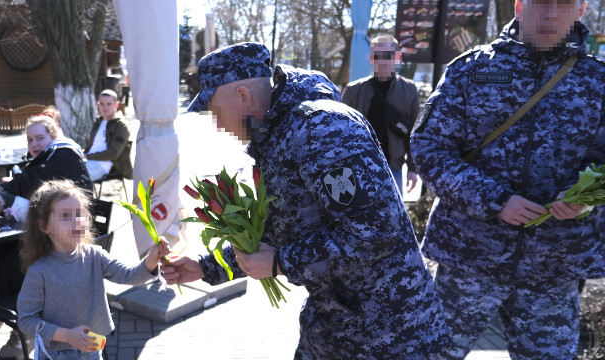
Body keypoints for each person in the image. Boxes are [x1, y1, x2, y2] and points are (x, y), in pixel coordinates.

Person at [163, 42, 449, 359]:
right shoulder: (277, 137)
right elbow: (276, 230)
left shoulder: (323, 129)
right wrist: (204, 268)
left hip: (391, 336)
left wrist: (279, 263)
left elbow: (375, 231)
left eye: (215, 110)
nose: (218, 124)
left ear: (242, 95)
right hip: (334, 328)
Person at [410, 0, 605, 358]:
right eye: (539, 3)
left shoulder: (598, 82)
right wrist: (494, 200)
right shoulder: (472, 70)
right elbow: (430, 148)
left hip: (555, 267)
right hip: (470, 257)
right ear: (518, 6)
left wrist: (585, 199)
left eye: (562, 5)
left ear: (580, 9)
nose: (549, 14)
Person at [0, 115, 92, 359]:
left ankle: (23, 333)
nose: (34, 144)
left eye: (40, 138)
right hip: (50, 238)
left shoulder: (64, 157)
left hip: (69, 248)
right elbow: (23, 184)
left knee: (10, 263)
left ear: (54, 137)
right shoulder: (45, 159)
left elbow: (44, 203)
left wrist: (5, 200)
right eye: (30, 139)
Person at [16, 180, 169, 360]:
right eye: (66, 216)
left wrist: (151, 258)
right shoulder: (39, 272)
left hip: (92, 349)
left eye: (79, 214)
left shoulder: (94, 255)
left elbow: (129, 276)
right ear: (44, 226)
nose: (76, 221)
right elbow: (27, 320)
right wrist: (67, 335)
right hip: (55, 354)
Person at [342, 35, 420, 196]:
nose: (383, 61)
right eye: (377, 56)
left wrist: (413, 169)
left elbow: (415, 134)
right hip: (358, 168)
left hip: (394, 169)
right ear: (371, 58)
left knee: (394, 219)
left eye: (388, 56)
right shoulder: (353, 91)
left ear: (397, 58)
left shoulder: (410, 90)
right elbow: (342, 133)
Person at [84, 89, 133, 181]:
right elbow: (92, 146)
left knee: (71, 175)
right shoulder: (98, 122)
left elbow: (114, 153)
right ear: (98, 105)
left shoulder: (121, 126)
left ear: (116, 105)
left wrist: (88, 156)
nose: (105, 107)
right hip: (88, 161)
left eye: (109, 104)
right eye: (102, 104)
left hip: (102, 166)